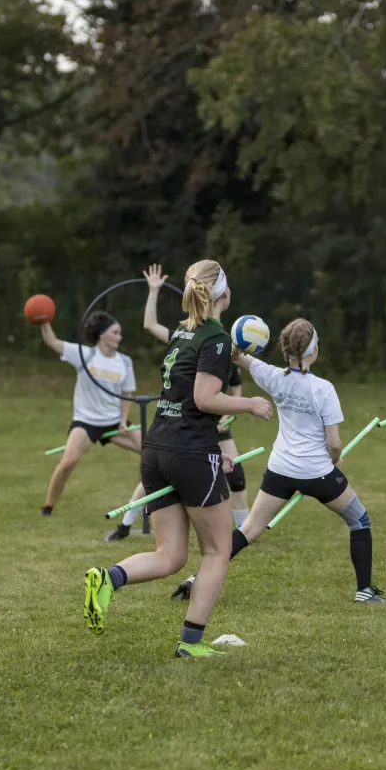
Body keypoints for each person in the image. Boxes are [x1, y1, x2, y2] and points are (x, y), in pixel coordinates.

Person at [82, 259, 273, 658]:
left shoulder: (182, 332)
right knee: (219, 551)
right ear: (224, 294)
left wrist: (208, 454)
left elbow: (185, 398)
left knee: (171, 555)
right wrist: (249, 403)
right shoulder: (217, 338)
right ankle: (190, 645)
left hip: (158, 449)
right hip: (189, 451)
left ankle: (109, 578)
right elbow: (205, 399)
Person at [171, 319, 386, 603]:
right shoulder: (324, 389)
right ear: (312, 351)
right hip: (318, 472)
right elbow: (334, 443)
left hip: (280, 470)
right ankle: (364, 591)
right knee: (359, 519)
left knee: (247, 530)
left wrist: (240, 340)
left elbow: (237, 355)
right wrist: (335, 460)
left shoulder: (272, 376)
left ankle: (195, 579)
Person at [105, 264, 252, 542]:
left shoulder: (224, 346)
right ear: (224, 294)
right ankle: (126, 523)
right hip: (192, 421)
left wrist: (231, 411)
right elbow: (150, 325)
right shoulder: (200, 338)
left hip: (213, 420)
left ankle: (244, 531)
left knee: (237, 472)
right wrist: (154, 290)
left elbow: (235, 385)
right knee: (166, 477)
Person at [36, 311, 143, 517]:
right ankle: (48, 506)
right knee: (69, 461)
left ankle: (139, 504)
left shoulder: (125, 362)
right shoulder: (85, 355)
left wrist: (122, 421)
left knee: (150, 451)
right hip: (86, 422)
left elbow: (127, 394)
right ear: (103, 335)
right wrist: (44, 321)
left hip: (114, 422)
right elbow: (53, 342)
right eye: (115, 332)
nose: (120, 337)